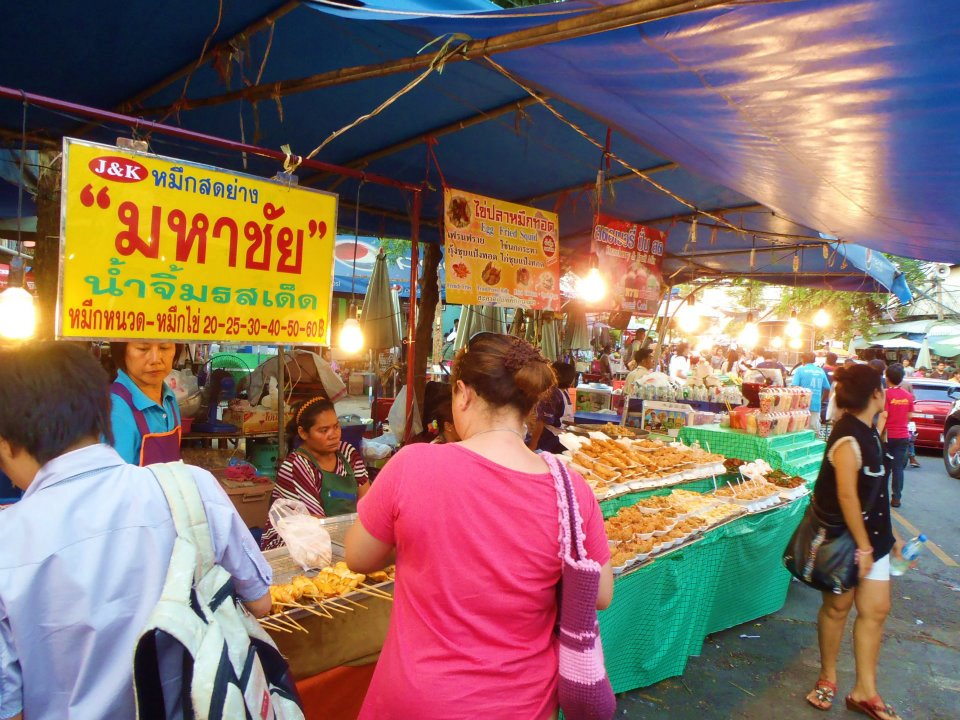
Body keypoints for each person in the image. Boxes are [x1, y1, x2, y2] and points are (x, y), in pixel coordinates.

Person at [345, 333, 612, 720]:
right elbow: (600, 594)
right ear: (530, 403)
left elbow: (358, 557)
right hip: (522, 704)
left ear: (463, 394)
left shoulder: (412, 465)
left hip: (419, 699)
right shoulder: (571, 489)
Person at [0, 342, 271, 719]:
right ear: (101, 415)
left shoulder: (7, 541)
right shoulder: (196, 487)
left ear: (7, 442)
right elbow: (260, 601)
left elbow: (9, 707)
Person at [804, 364, 903, 719]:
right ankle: (827, 678)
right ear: (875, 393)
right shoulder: (847, 435)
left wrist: (890, 538)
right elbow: (846, 496)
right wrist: (863, 546)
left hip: (871, 541)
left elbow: (874, 493)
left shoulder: (870, 429)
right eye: (882, 388)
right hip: (846, 542)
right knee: (837, 609)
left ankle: (865, 691)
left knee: (876, 610)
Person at [260, 396, 370, 550]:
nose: (333, 435)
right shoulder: (296, 466)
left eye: (336, 426)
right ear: (304, 433)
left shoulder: (348, 453)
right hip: (298, 545)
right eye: (323, 430)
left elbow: (368, 504)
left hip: (344, 539)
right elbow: (317, 524)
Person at [109, 341, 182, 465]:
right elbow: (115, 480)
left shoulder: (169, 398)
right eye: (143, 348)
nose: (155, 359)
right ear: (122, 352)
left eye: (164, 347)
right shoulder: (115, 409)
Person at [529, 361, 577, 454]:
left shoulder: (564, 392)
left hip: (561, 436)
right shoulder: (553, 394)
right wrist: (533, 446)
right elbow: (541, 422)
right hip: (549, 439)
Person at [883, 364, 914, 508]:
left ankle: (881, 496)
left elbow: (884, 415)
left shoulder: (885, 394)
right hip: (903, 435)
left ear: (887, 377)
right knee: (898, 468)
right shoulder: (908, 396)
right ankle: (896, 498)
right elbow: (909, 416)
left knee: (885, 467)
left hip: (888, 435)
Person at [792, 351, 831, 432]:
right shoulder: (820, 371)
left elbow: (794, 387)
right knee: (814, 431)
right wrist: (821, 400)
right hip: (816, 405)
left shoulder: (800, 370)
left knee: (801, 431)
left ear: (803, 360)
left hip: (801, 405)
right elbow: (827, 388)